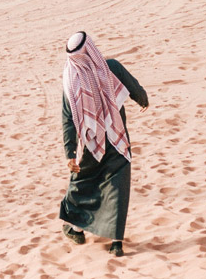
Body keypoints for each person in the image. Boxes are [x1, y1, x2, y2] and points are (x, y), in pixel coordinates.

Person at [59, 32, 149, 257]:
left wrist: (70, 151)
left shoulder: (71, 82)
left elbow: (68, 117)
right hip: (117, 138)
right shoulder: (110, 67)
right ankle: (116, 243)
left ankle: (77, 229)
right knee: (118, 187)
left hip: (91, 144)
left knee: (85, 182)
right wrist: (143, 100)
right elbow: (133, 86)